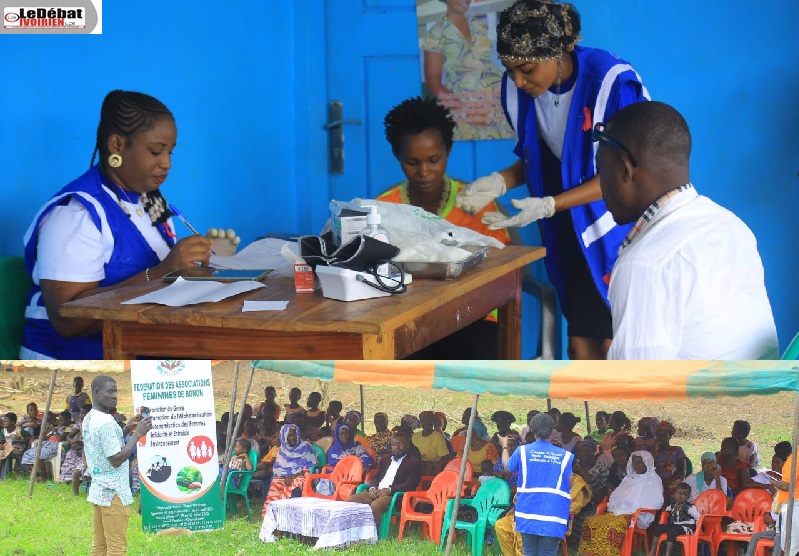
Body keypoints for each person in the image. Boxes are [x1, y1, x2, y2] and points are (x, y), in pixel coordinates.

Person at [455, 0, 650, 360]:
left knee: (614, 344)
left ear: (561, 50)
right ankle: (585, 412)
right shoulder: (518, 88)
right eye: (510, 69)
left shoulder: (610, 83)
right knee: (580, 342)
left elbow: (626, 174)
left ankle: (618, 415)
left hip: (616, 228)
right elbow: (538, 159)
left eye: (526, 68)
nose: (518, 80)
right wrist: (500, 181)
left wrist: (551, 204)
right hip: (569, 229)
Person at [20, 90, 213, 359]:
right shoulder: (76, 215)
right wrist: (163, 272)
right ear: (117, 145)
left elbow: (168, 260)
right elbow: (68, 320)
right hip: (73, 359)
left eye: (170, 152)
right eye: (156, 151)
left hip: (136, 346)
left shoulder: (151, 198)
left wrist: (207, 258)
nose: (167, 163)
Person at [593, 100, 779, 359]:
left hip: (708, 400)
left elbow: (636, 393)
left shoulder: (645, 264)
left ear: (626, 169)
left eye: (601, 170)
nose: (599, 187)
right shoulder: (730, 225)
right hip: (768, 396)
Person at [380, 96, 511, 359]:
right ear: (398, 156)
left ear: (448, 151)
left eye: (433, 159)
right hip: (408, 319)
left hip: (475, 318)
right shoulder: (386, 208)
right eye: (412, 162)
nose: (424, 171)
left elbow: (507, 268)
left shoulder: (477, 204)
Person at [422, 0, 514, 141]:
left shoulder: (478, 25)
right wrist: (464, 111)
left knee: (503, 153)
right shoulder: (437, 33)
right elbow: (433, 82)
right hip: (464, 108)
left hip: (497, 105)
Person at [83, 375, 151, 555]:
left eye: (116, 392)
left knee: (100, 545)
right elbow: (116, 459)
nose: (115, 396)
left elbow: (106, 444)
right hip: (114, 494)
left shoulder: (90, 417)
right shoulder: (105, 421)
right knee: (116, 548)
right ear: (97, 393)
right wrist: (138, 435)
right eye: (110, 391)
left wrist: (128, 429)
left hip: (100, 491)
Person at [506, 412, 572, 556]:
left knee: (529, 552)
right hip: (554, 514)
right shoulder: (564, 455)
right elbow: (570, 482)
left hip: (528, 511)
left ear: (532, 429)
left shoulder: (522, 451)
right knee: (548, 553)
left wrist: (504, 447)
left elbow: (508, 467)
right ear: (552, 430)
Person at [578, 451, 664, 556]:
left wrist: (632, 507)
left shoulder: (653, 480)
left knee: (613, 525)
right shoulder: (629, 479)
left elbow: (656, 502)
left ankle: (611, 553)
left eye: (639, 463)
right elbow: (617, 496)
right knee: (591, 521)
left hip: (636, 515)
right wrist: (621, 505)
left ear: (647, 463)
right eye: (634, 463)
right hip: (620, 511)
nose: (636, 466)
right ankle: (594, 552)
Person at [346, 433, 422, 527]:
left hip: (394, 495)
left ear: (407, 445)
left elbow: (411, 484)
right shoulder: (385, 459)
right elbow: (376, 477)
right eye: (394, 444)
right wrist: (372, 487)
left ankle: (373, 535)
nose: (397, 447)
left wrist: (389, 490)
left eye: (401, 444)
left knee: (376, 505)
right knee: (351, 500)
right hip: (376, 491)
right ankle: (353, 530)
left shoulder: (413, 462)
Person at [261, 423, 317, 515]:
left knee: (296, 484)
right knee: (276, 481)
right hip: (286, 476)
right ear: (284, 437)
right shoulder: (283, 449)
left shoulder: (305, 446)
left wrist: (294, 476)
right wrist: (286, 476)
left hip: (303, 474)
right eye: (289, 435)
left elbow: (311, 466)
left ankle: (291, 513)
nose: (293, 438)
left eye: (294, 434)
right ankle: (275, 513)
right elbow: (279, 468)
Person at [647, 482, 701, 556]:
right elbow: (666, 510)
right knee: (658, 528)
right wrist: (664, 512)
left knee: (672, 531)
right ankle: (652, 552)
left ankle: (667, 554)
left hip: (686, 527)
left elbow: (698, 517)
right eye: (678, 493)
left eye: (684, 495)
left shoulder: (690, 507)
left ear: (688, 497)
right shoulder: (673, 505)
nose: (680, 496)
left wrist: (696, 530)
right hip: (675, 525)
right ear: (674, 494)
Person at [412, 410, 451, 475]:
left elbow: (445, 457)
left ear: (432, 422)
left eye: (428, 420)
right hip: (418, 465)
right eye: (423, 421)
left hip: (432, 467)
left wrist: (436, 468)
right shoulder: (415, 436)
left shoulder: (438, 436)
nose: (425, 423)